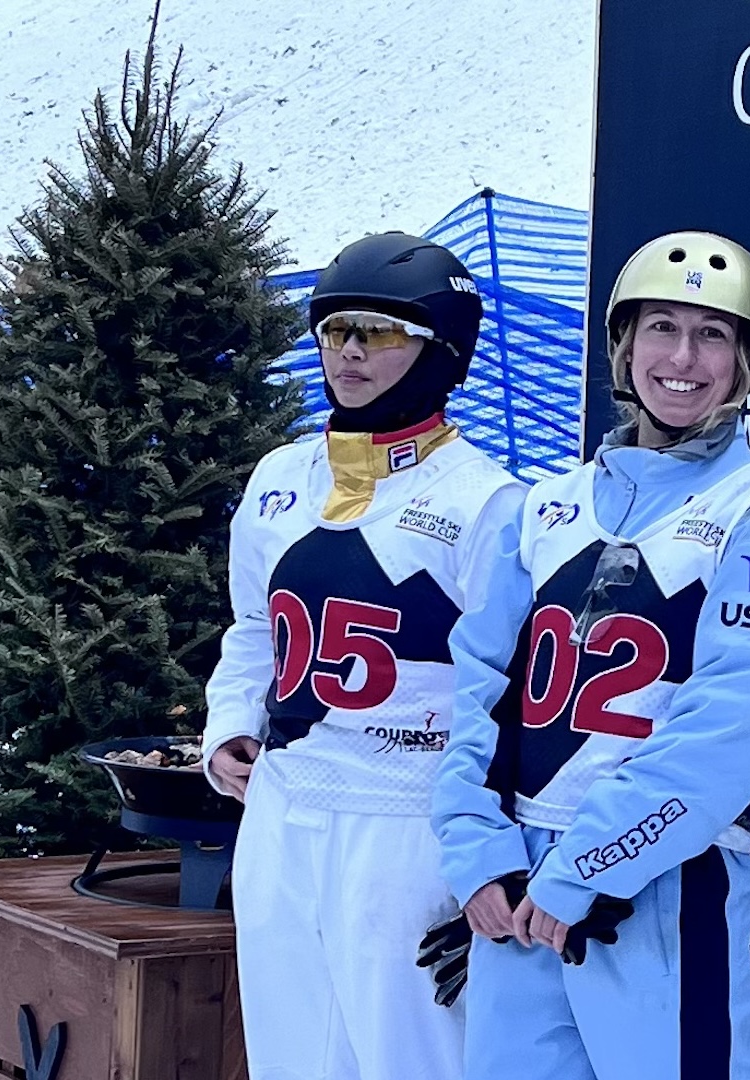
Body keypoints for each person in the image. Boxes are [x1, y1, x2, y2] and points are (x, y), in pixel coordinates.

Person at [431, 231, 750, 1080]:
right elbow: (479, 690)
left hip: (667, 892)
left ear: (746, 362)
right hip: (519, 889)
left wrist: (587, 865)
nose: (683, 358)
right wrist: (475, 852)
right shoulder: (545, 507)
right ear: (624, 348)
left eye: (713, 335)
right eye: (661, 327)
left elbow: (730, 732)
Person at [201, 231, 526, 1080]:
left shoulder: (489, 503)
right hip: (281, 808)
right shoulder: (279, 477)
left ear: (440, 353)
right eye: (335, 328)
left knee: (406, 1058)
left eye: (380, 332)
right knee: (290, 1050)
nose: (349, 350)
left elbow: (514, 697)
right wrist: (229, 727)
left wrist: (493, 856)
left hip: (404, 817)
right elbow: (249, 630)